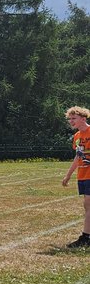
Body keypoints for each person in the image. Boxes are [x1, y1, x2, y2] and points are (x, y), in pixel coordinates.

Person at [61, 105, 90, 248]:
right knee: (87, 206)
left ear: (83, 119)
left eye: (74, 118)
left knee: (89, 204)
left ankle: (86, 237)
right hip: (83, 174)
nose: (71, 121)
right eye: (69, 119)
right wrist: (68, 175)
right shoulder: (77, 136)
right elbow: (78, 158)